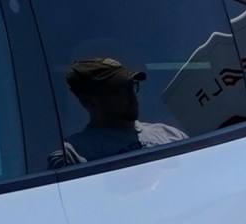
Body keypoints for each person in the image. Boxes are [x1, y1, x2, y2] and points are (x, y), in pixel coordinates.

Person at [51, 56, 186, 166]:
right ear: (89, 101)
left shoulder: (171, 135)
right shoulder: (73, 154)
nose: (131, 95)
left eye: (131, 86)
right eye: (118, 90)